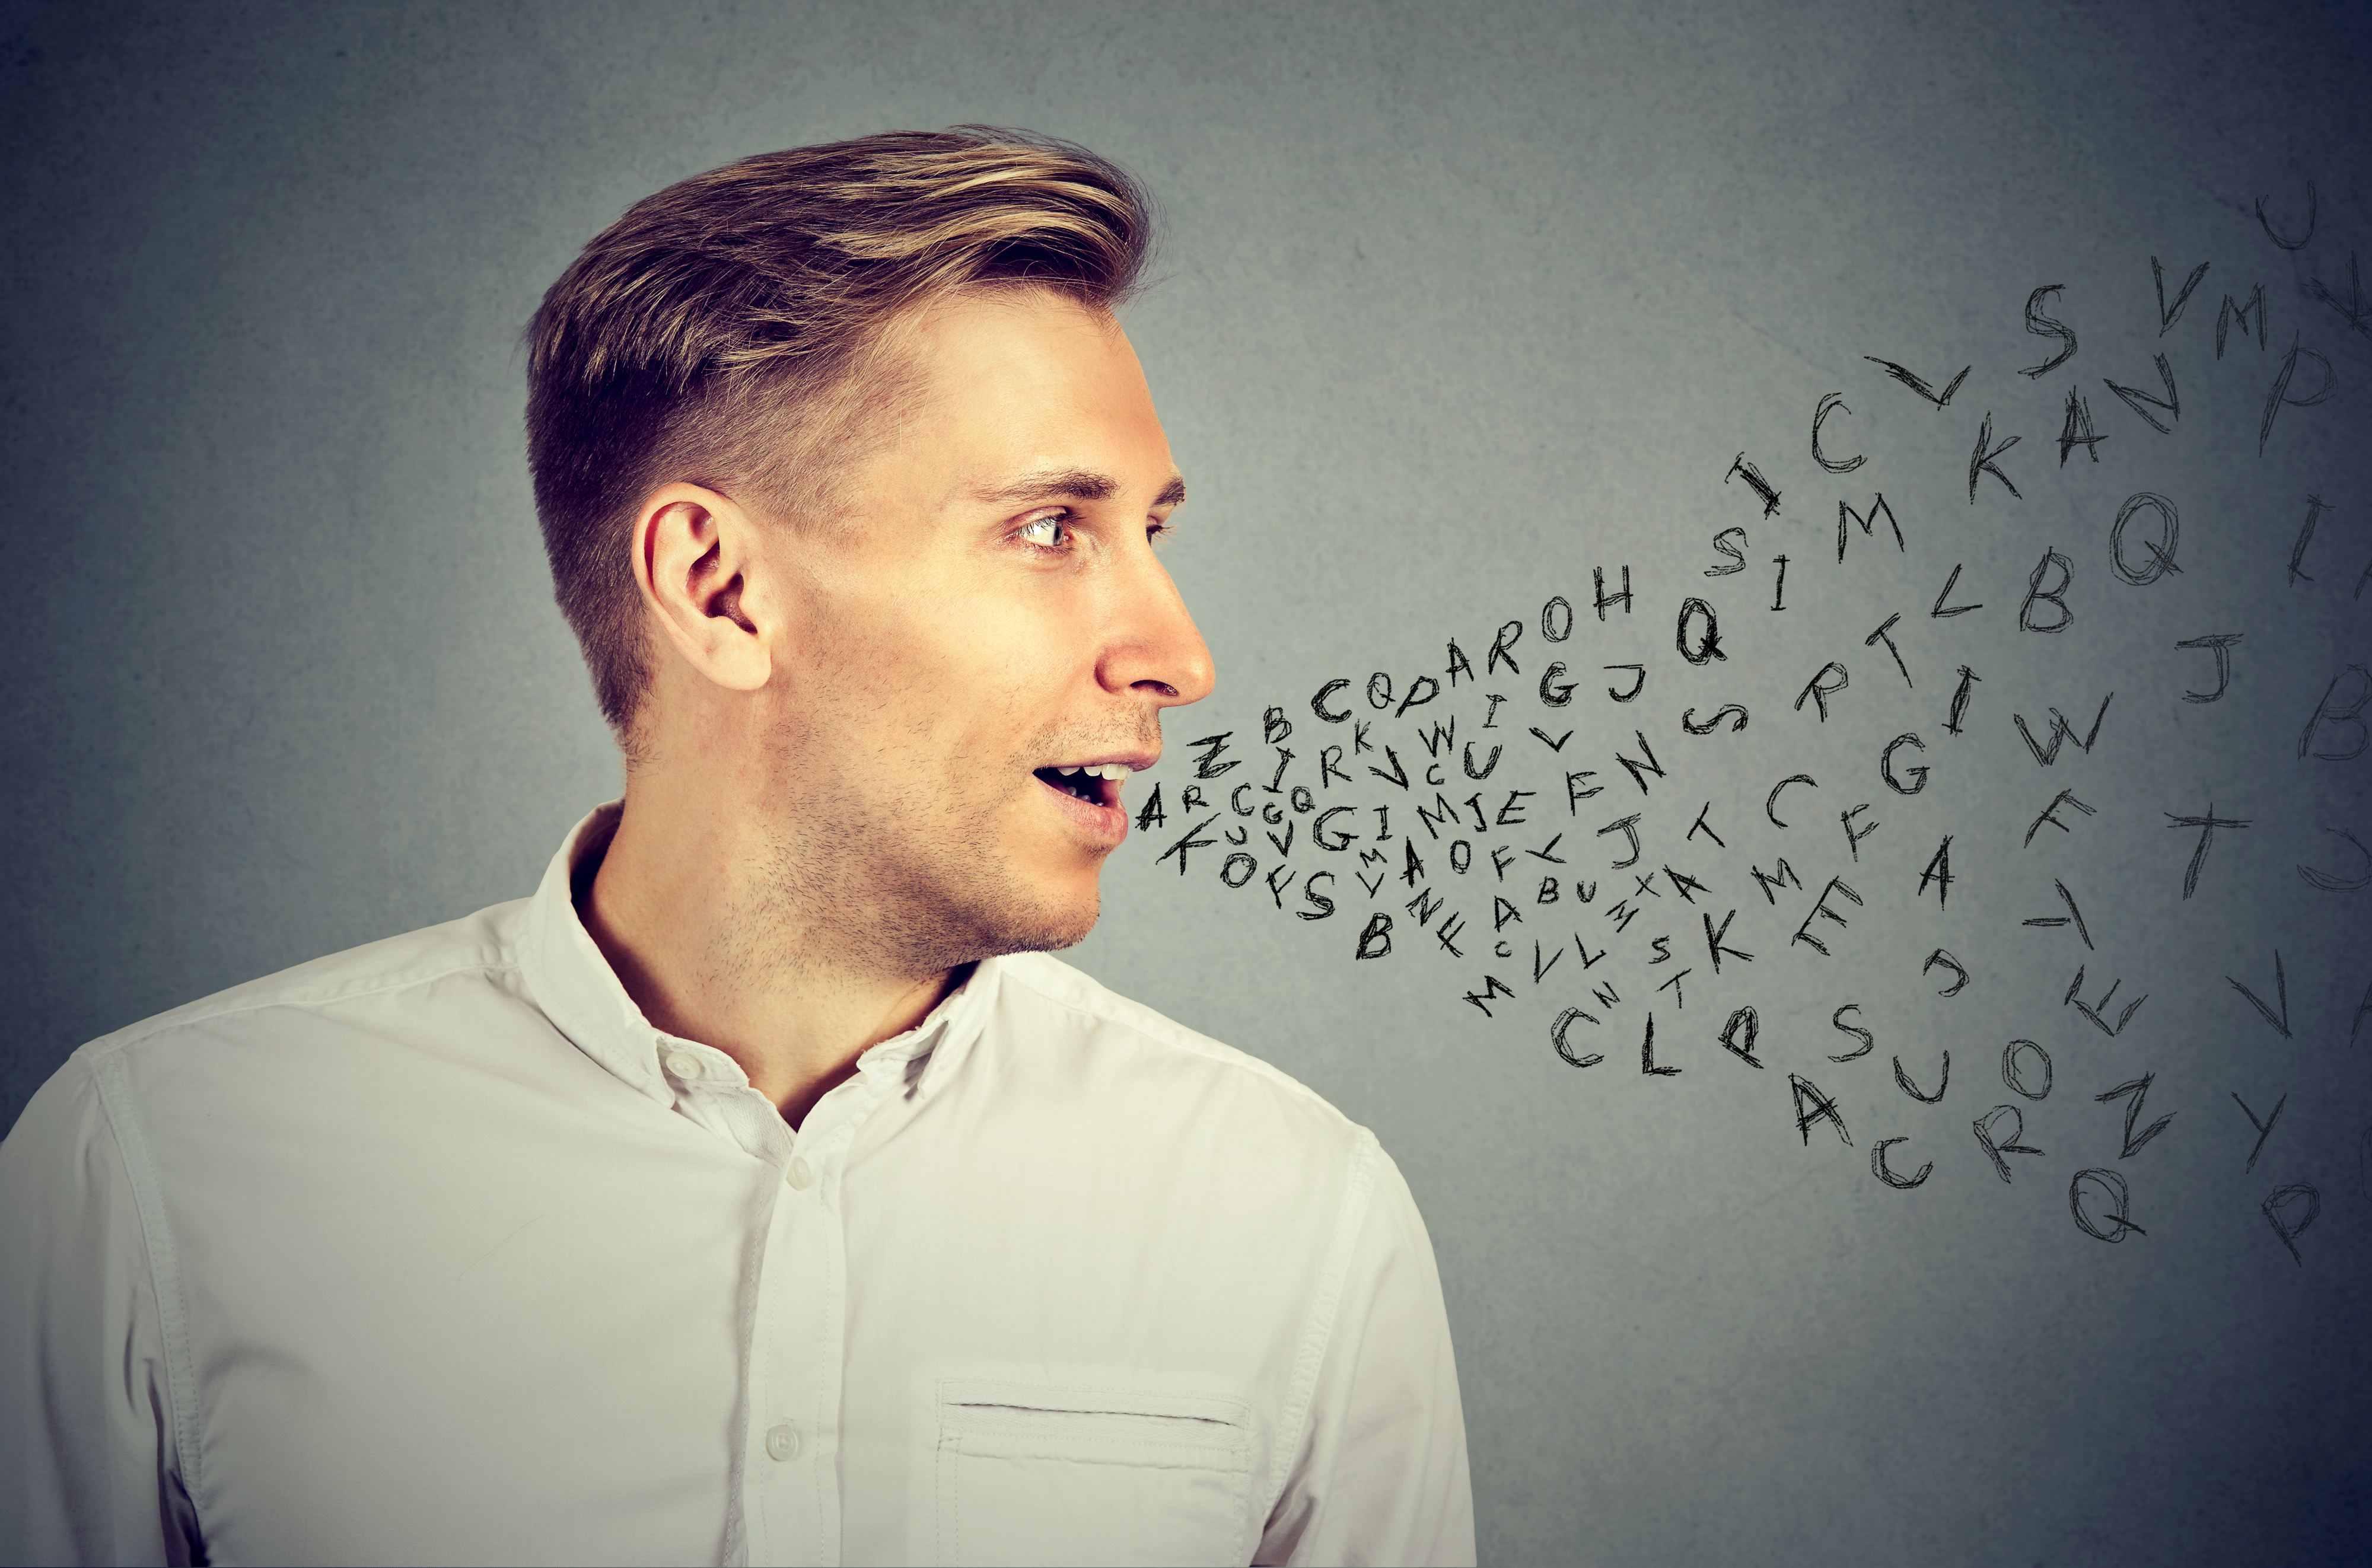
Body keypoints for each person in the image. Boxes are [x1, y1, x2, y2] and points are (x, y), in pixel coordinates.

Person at [0, 128, 1473, 1567]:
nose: (1178, 653)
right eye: (1047, 529)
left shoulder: (1295, 1218)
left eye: (1149, 529)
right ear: (717, 587)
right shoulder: (145, 1184)